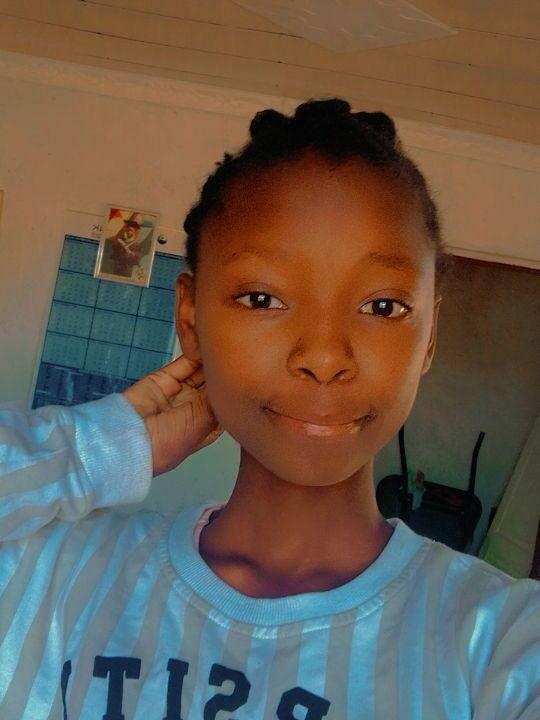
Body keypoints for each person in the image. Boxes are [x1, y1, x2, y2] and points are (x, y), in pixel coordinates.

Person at [1, 98, 538, 719]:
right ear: (190, 318)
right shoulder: (60, 577)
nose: (324, 356)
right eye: (262, 298)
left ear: (430, 335)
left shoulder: (499, 644)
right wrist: (103, 446)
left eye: (382, 307)